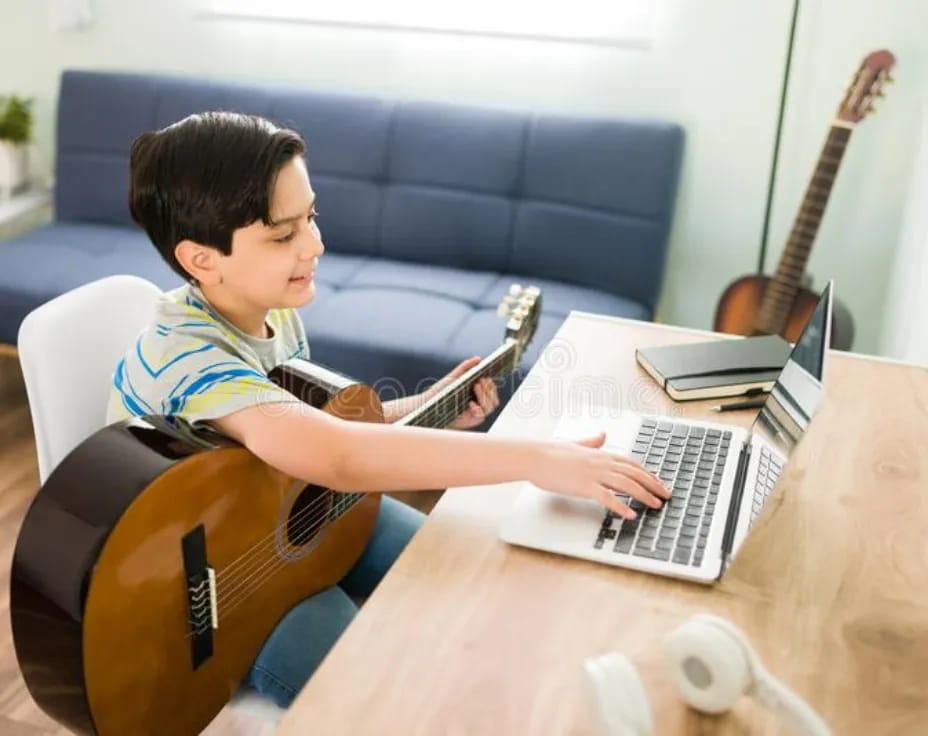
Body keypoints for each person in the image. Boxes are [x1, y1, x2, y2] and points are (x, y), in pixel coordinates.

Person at [107, 111, 669, 707]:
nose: (316, 245)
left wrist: (425, 409)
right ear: (201, 260)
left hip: (286, 526)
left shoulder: (270, 311)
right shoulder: (186, 359)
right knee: (380, 694)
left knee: (470, 572)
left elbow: (303, 437)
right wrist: (537, 457)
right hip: (212, 595)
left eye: (311, 218)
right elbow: (338, 455)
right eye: (283, 235)